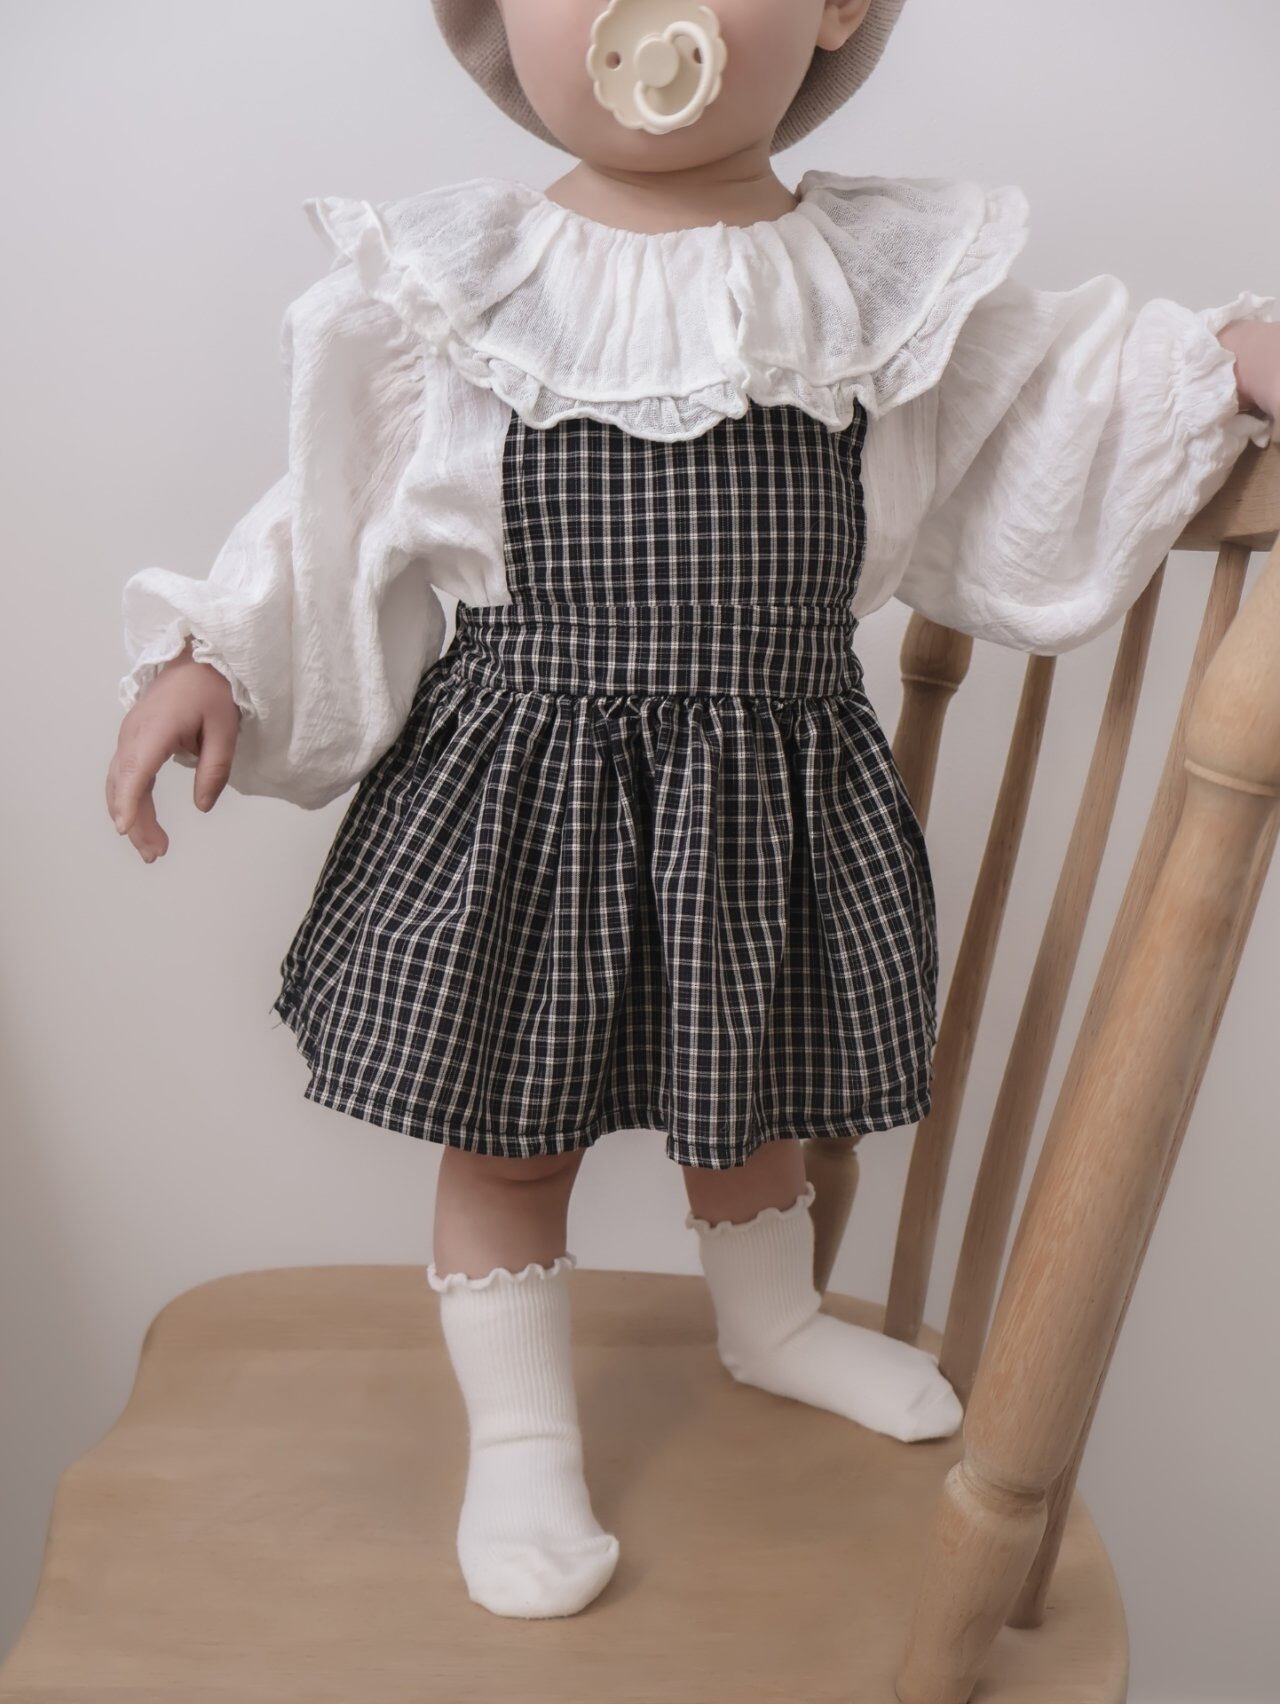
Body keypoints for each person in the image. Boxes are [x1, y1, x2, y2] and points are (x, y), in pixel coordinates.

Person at [104, 0, 1278, 1621]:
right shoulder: (466, 287)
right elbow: (334, 508)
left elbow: (1055, 397)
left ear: (837, 7)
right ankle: (524, 1437)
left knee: (760, 1089)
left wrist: (1215, 364)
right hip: (528, 793)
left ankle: (772, 1321)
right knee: (510, 1134)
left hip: (770, 791)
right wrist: (212, 653)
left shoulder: (881, 289)